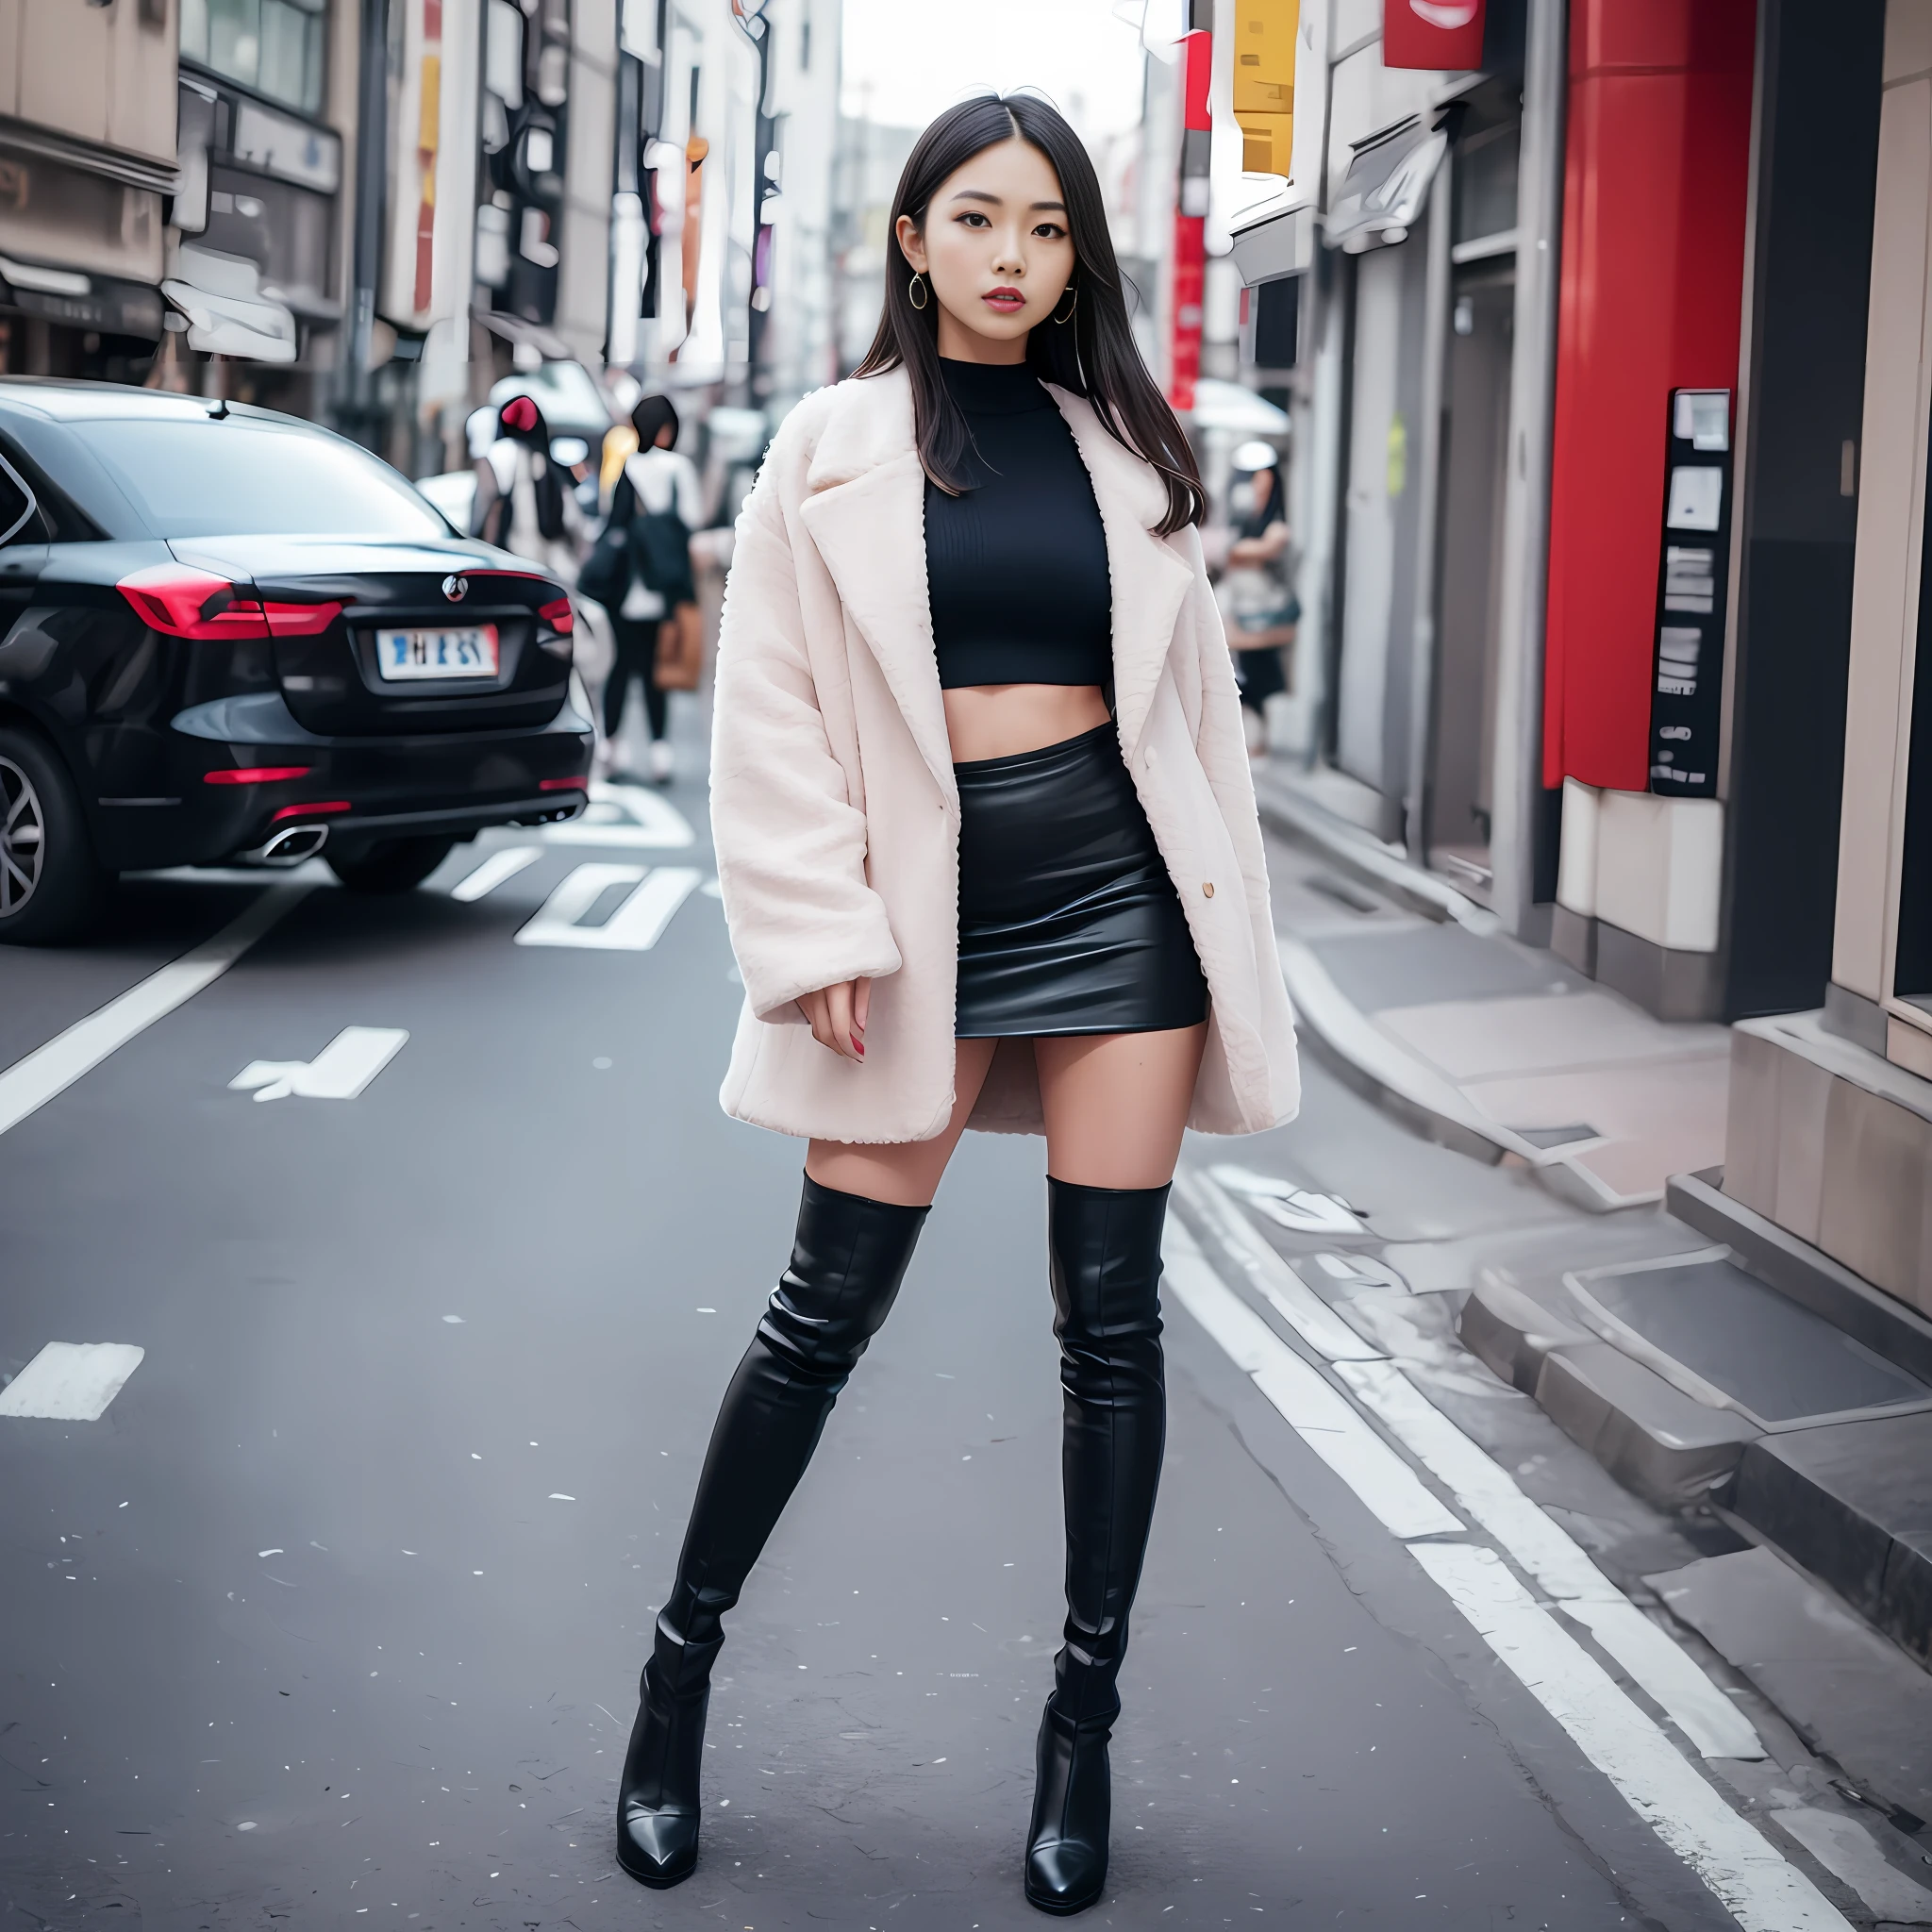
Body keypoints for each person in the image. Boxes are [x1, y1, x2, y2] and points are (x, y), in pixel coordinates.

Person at [614, 92, 1299, 1915]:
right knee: (820, 1308)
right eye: (978, 219)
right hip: (918, 909)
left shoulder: (1121, 444)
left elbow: (1196, 736)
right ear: (911, 237)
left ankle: (1081, 1723)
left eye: (1049, 226)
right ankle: (676, 1672)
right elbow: (763, 710)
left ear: (1078, 254)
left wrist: (1226, 921)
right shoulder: (826, 443)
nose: (1013, 255)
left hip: (1115, 895)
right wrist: (816, 924)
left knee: (1110, 1324)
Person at [600, 393, 703, 784]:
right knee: (656, 672)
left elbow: (614, 521)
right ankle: (661, 753)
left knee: (620, 668)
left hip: (624, 588)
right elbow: (691, 518)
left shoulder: (628, 467)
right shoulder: (677, 468)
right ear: (665, 428)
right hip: (665, 590)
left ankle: (610, 749)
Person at [1218, 441, 1299, 758]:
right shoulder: (1243, 521)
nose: (1257, 487)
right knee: (1239, 673)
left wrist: (1237, 551)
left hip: (1263, 616)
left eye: (1264, 481)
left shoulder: (1277, 528)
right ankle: (1249, 738)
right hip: (1240, 612)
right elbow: (1234, 553)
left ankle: (1256, 740)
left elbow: (1252, 551)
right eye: (1253, 480)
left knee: (1258, 675)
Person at [470, 393, 587, 585]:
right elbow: (573, 520)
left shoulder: (497, 455)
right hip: (551, 570)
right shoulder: (548, 464)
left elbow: (481, 510)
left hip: (507, 564)